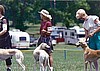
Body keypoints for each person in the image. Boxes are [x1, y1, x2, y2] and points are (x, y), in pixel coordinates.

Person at [0, 5, 12, 71]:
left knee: (7, 52)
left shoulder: (4, 19)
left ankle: (8, 68)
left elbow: (5, 30)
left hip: (5, 39)